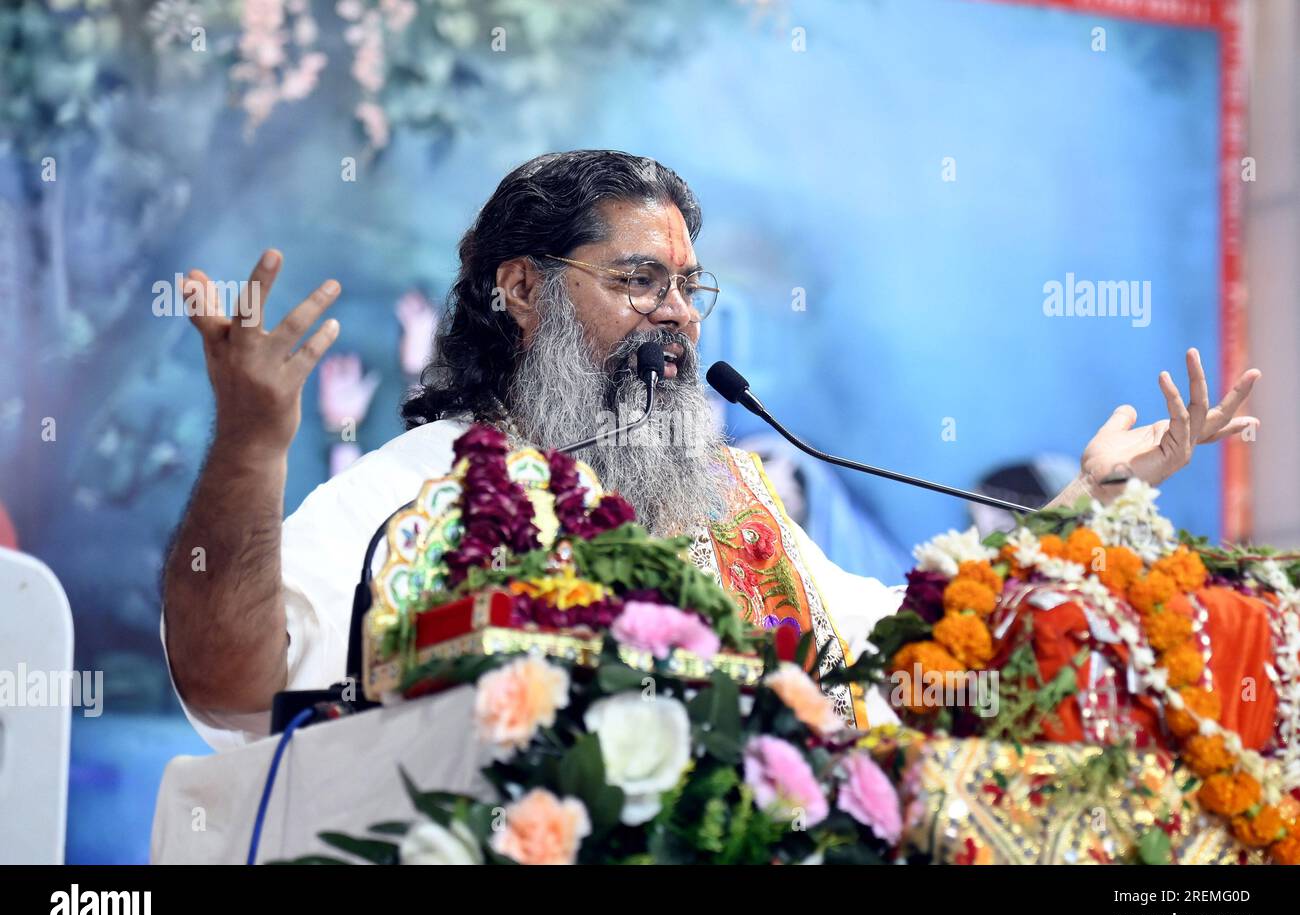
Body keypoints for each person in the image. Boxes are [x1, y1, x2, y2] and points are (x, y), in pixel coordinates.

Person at [161, 150, 1261, 750]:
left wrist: (1082, 504)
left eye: (691, 287)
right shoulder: (420, 487)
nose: (680, 314)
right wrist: (252, 448)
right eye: (640, 280)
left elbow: (907, 654)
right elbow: (230, 681)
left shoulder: (727, 498)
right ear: (522, 291)